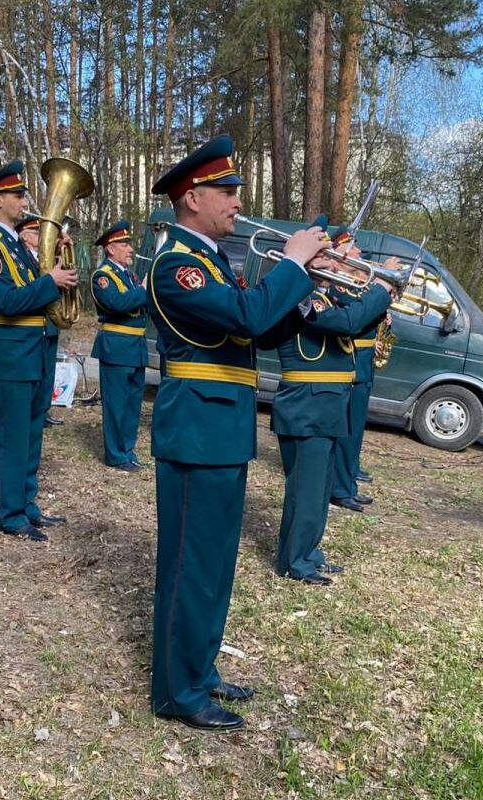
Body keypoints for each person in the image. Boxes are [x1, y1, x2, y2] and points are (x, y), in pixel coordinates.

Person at [146, 134, 328, 732]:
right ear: (191, 197)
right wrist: (293, 263)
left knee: (216, 562)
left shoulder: (211, 262)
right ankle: (177, 690)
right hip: (198, 427)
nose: (235, 201)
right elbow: (245, 316)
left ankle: (199, 669)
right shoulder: (177, 265)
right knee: (190, 564)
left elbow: (255, 332)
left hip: (219, 426)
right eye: (226, 191)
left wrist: (303, 291)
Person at [274, 225, 393, 583]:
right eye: (325, 255)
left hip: (324, 405)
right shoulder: (301, 296)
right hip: (306, 406)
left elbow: (356, 323)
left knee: (319, 490)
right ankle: (295, 561)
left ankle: (309, 552)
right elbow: (345, 323)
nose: (336, 261)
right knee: (305, 490)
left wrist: (379, 300)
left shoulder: (324, 295)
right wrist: (381, 291)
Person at [0, 162, 77, 542]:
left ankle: (28, 504)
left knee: (32, 433)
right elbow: (8, 301)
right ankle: (11, 513)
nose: (24, 201)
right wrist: (50, 281)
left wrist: (58, 263)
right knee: (12, 436)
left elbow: (41, 290)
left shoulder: (17, 246)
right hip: (12, 351)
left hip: (35, 349)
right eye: (17, 195)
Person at [327, 226, 392, 512]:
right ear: (339, 252)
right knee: (347, 431)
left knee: (354, 430)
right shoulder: (336, 285)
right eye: (352, 249)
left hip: (362, 361)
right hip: (351, 361)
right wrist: (380, 292)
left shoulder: (352, 282)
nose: (358, 254)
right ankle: (341, 487)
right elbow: (355, 317)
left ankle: (348, 479)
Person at [90, 220, 148, 471]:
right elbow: (118, 303)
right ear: (110, 249)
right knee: (115, 403)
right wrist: (145, 289)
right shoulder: (103, 276)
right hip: (117, 344)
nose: (130, 249)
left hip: (135, 345)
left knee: (133, 403)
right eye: (124, 244)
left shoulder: (129, 275)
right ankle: (115, 454)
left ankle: (127, 449)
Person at [15, 214, 66, 429]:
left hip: (49, 324)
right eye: (37, 232)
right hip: (32, 323)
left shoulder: (49, 258)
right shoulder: (22, 258)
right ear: (24, 236)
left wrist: (62, 253)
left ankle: (42, 411)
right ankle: (32, 412)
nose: (43, 236)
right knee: (34, 376)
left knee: (48, 374)